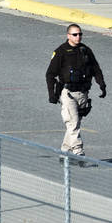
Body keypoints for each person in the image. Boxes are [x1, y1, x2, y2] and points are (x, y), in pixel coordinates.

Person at [46, 24, 106, 159]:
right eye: (75, 34)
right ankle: (79, 153)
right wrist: (52, 94)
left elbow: (96, 68)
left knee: (75, 123)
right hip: (67, 93)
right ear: (68, 36)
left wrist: (102, 84)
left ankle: (65, 152)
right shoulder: (61, 52)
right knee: (72, 123)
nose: (78, 37)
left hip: (83, 93)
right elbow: (50, 74)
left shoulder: (85, 50)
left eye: (80, 34)